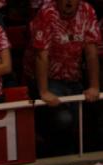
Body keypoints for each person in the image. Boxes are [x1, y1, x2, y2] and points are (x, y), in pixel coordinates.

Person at [28, 0, 100, 154]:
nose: (69, 1)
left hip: (75, 77)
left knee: (83, 119)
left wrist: (94, 86)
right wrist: (44, 91)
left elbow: (91, 52)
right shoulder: (46, 12)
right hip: (49, 78)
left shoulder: (87, 10)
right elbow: (41, 56)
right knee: (63, 119)